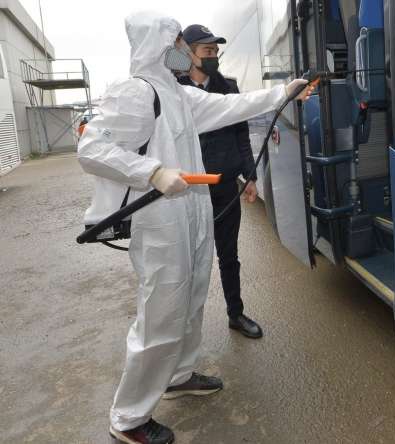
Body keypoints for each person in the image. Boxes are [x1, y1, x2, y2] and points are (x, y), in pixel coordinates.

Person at [77, 11, 312, 444]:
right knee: (161, 315)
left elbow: (231, 106)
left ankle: (179, 374)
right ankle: (128, 418)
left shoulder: (178, 94)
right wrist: (149, 171)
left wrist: (284, 91)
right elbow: (91, 148)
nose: (187, 52)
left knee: (192, 298)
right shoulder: (136, 92)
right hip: (160, 220)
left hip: (192, 211)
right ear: (159, 46)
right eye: (180, 43)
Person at [176, 24, 262, 339]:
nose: (213, 57)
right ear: (188, 53)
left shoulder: (229, 88)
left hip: (224, 186)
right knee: (187, 261)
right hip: (185, 192)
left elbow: (241, 135)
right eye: (207, 51)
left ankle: (235, 314)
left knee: (229, 255)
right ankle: (182, 326)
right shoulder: (172, 91)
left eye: (215, 51)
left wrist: (249, 176)